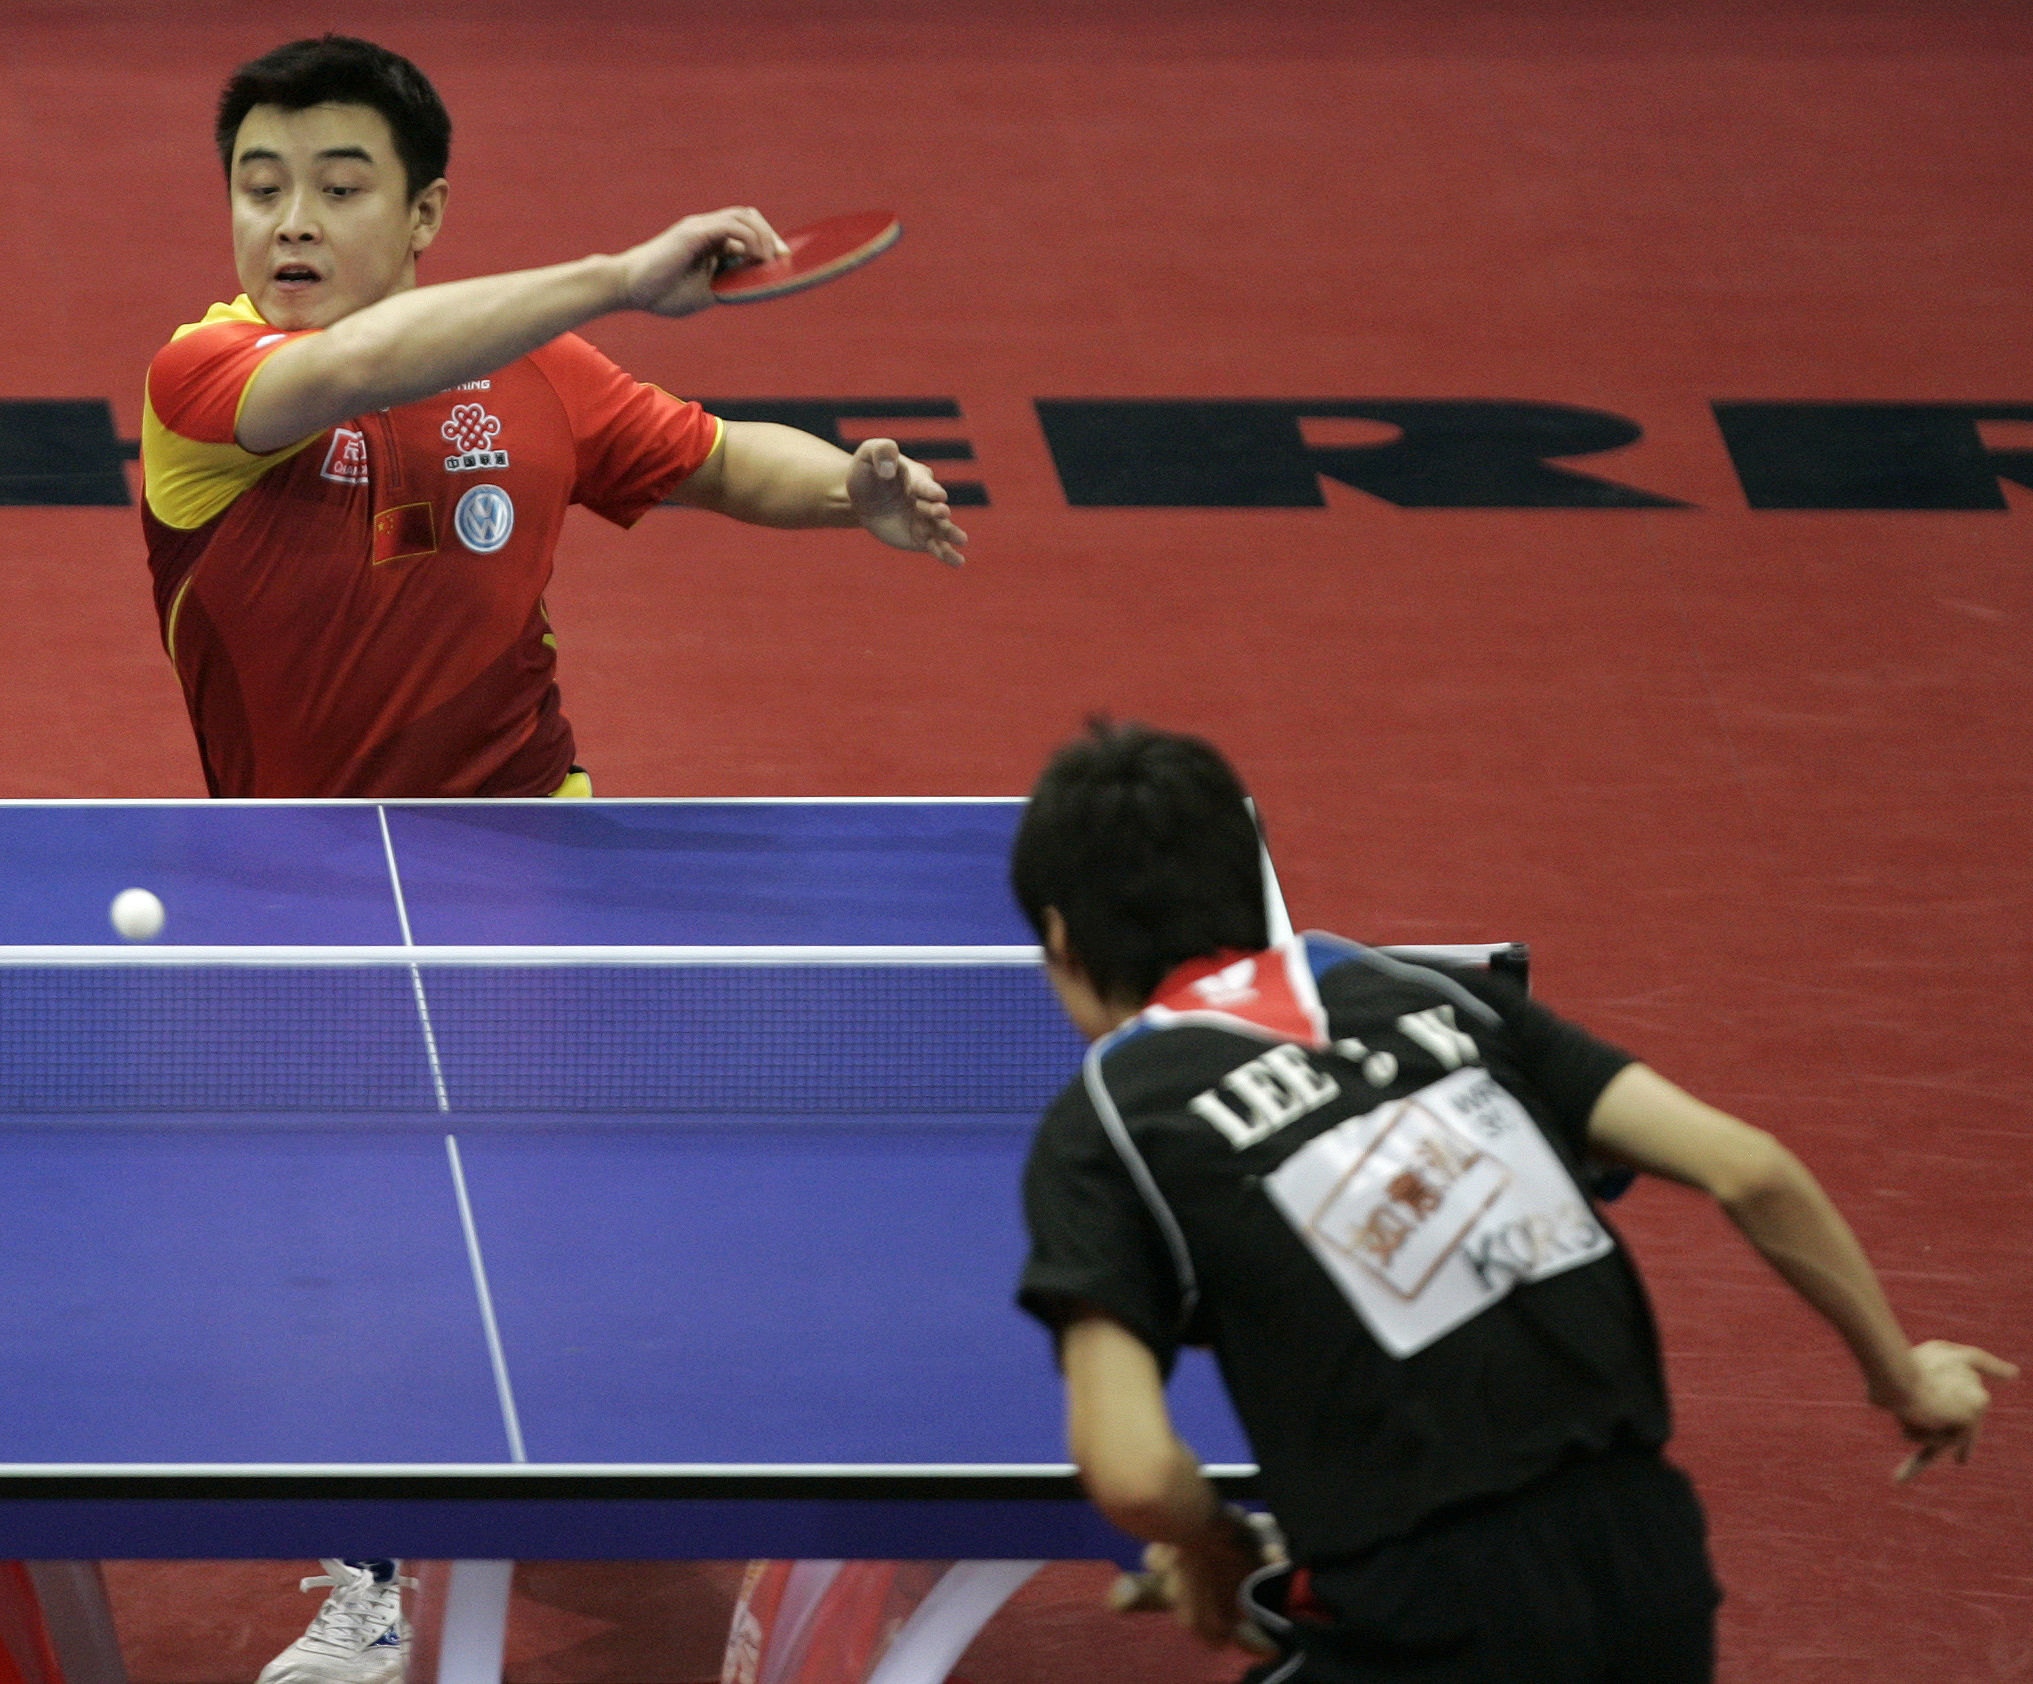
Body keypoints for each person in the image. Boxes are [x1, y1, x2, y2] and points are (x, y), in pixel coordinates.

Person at [1007, 720, 2012, 1680]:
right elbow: (1749, 1167)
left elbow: (1132, 1469)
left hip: (1430, 1610)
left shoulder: (1107, 1122)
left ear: (1060, 935)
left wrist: (1213, 1541)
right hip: (1646, 1556)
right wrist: (1902, 1379)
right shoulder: (1433, 995)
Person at [141, 34, 966, 801]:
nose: (293, 221)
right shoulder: (199, 378)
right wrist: (620, 280)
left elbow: (718, 462)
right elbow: (356, 362)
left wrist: (850, 491)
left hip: (530, 837)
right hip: (294, 866)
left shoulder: (535, 370)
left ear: (424, 213)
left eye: (340, 189)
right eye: (260, 190)